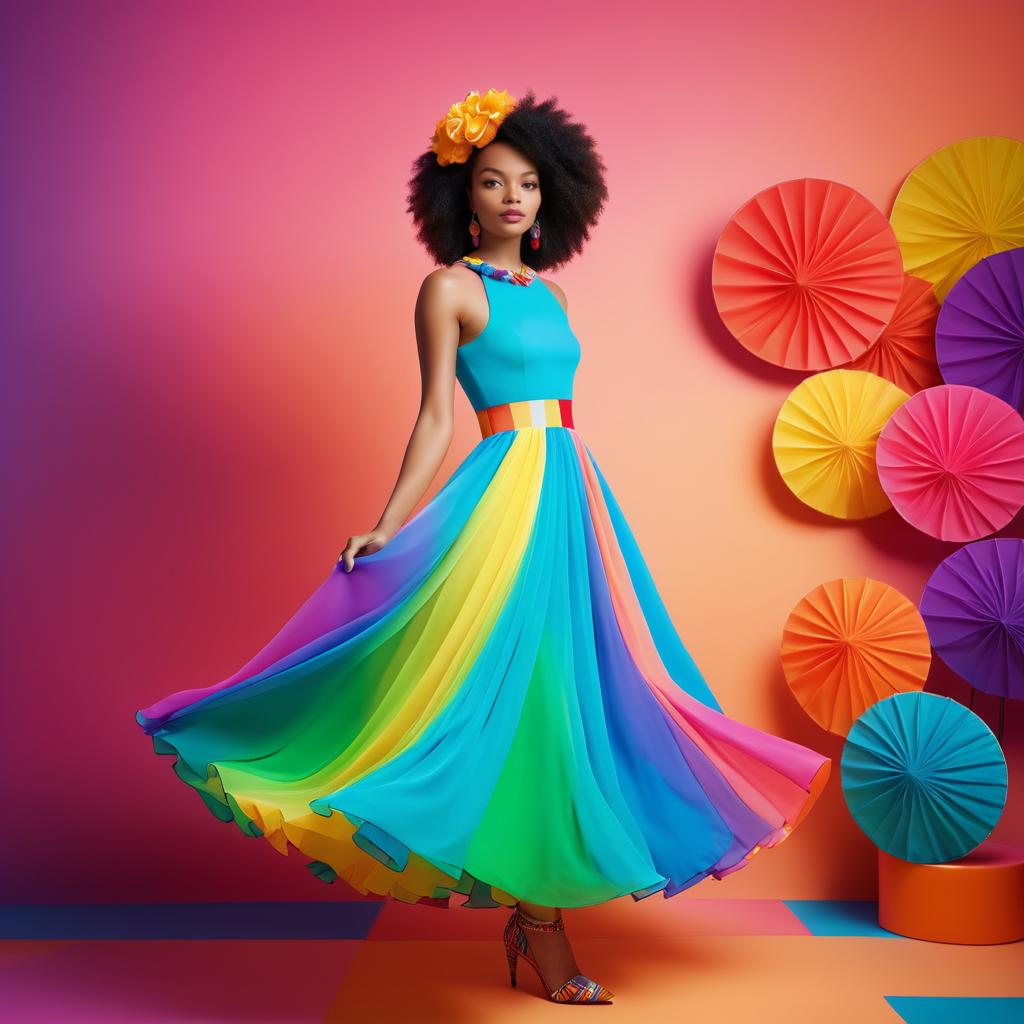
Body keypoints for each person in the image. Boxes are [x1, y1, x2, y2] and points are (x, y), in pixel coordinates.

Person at [135, 88, 832, 1005]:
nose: (513, 198)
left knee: (583, 694)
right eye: (495, 183)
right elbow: (433, 416)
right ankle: (543, 932)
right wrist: (389, 520)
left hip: (572, 496)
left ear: (551, 200)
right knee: (502, 698)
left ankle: (537, 909)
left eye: (529, 185)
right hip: (501, 500)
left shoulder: (550, 291)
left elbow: (560, 403)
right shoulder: (448, 289)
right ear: (463, 198)